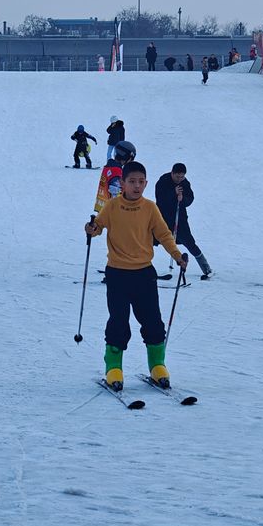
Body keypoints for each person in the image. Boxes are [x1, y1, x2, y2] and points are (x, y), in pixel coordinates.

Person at [85, 160, 187, 391]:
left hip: (144, 273)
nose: (137, 186)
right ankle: (114, 367)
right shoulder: (112, 207)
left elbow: (164, 234)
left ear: (146, 183)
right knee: (118, 321)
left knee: (152, 320)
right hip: (118, 274)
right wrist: (92, 229)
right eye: (132, 181)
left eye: (141, 182)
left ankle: (157, 365)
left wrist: (177, 255)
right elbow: (98, 226)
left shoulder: (150, 208)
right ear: (122, 183)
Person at [155, 162, 212, 279]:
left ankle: (206, 268)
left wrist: (183, 199)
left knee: (189, 242)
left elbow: (190, 198)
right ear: (172, 173)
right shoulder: (163, 181)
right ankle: (138, 266)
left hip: (179, 218)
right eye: (177, 177)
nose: (180, 179)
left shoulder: (185, 183)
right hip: (162, 217)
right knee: (150, 239)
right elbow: (160, 199)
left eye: (182, 177)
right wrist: (173, 194)